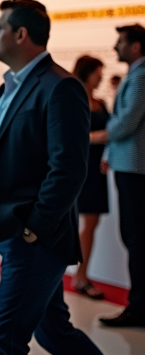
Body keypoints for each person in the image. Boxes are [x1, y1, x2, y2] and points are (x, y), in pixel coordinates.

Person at [0, 0, 138, 355]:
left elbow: (69, 168)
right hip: (13, 232)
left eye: (0, 27)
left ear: (21, 34)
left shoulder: (61, 87)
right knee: (54, 332)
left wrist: (35, 227)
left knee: (6, 335)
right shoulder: (9, 85)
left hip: (33, 238)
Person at [99, 23, 145, 328]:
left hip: (135, 170)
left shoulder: (142, 76)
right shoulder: (135, 74)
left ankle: (138, 307)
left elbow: (126, 122)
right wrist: (107, 154)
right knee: (133, 237)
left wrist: (96, 138)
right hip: (126, 165)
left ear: (136, 47)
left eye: (120, 42)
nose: (116, 47)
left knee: (137, 238)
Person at [70, 56, 110, 300]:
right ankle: (80, 275)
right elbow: (73, 138)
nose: (101, 77)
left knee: (92, 224)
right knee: (80, 223)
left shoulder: (101, 102)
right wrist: (100, 137)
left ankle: (82, 274)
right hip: (79, 167)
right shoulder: (74, 100)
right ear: (87, 72)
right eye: (98, 72)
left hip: (96, 169)